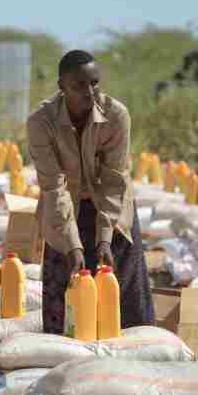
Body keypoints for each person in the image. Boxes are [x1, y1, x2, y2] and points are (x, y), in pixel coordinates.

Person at [27, 49, 155, 335]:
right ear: (62, 87)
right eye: (79, 86)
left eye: (94, 83)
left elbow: (114, 180)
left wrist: (105, 238)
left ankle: (135, 361)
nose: (90, 92)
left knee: (126, 295)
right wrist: (72, 244)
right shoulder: (41, 122)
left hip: (110, 206)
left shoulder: (116, 115)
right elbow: (53, 186)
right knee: (66, 297)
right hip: (63, 209)